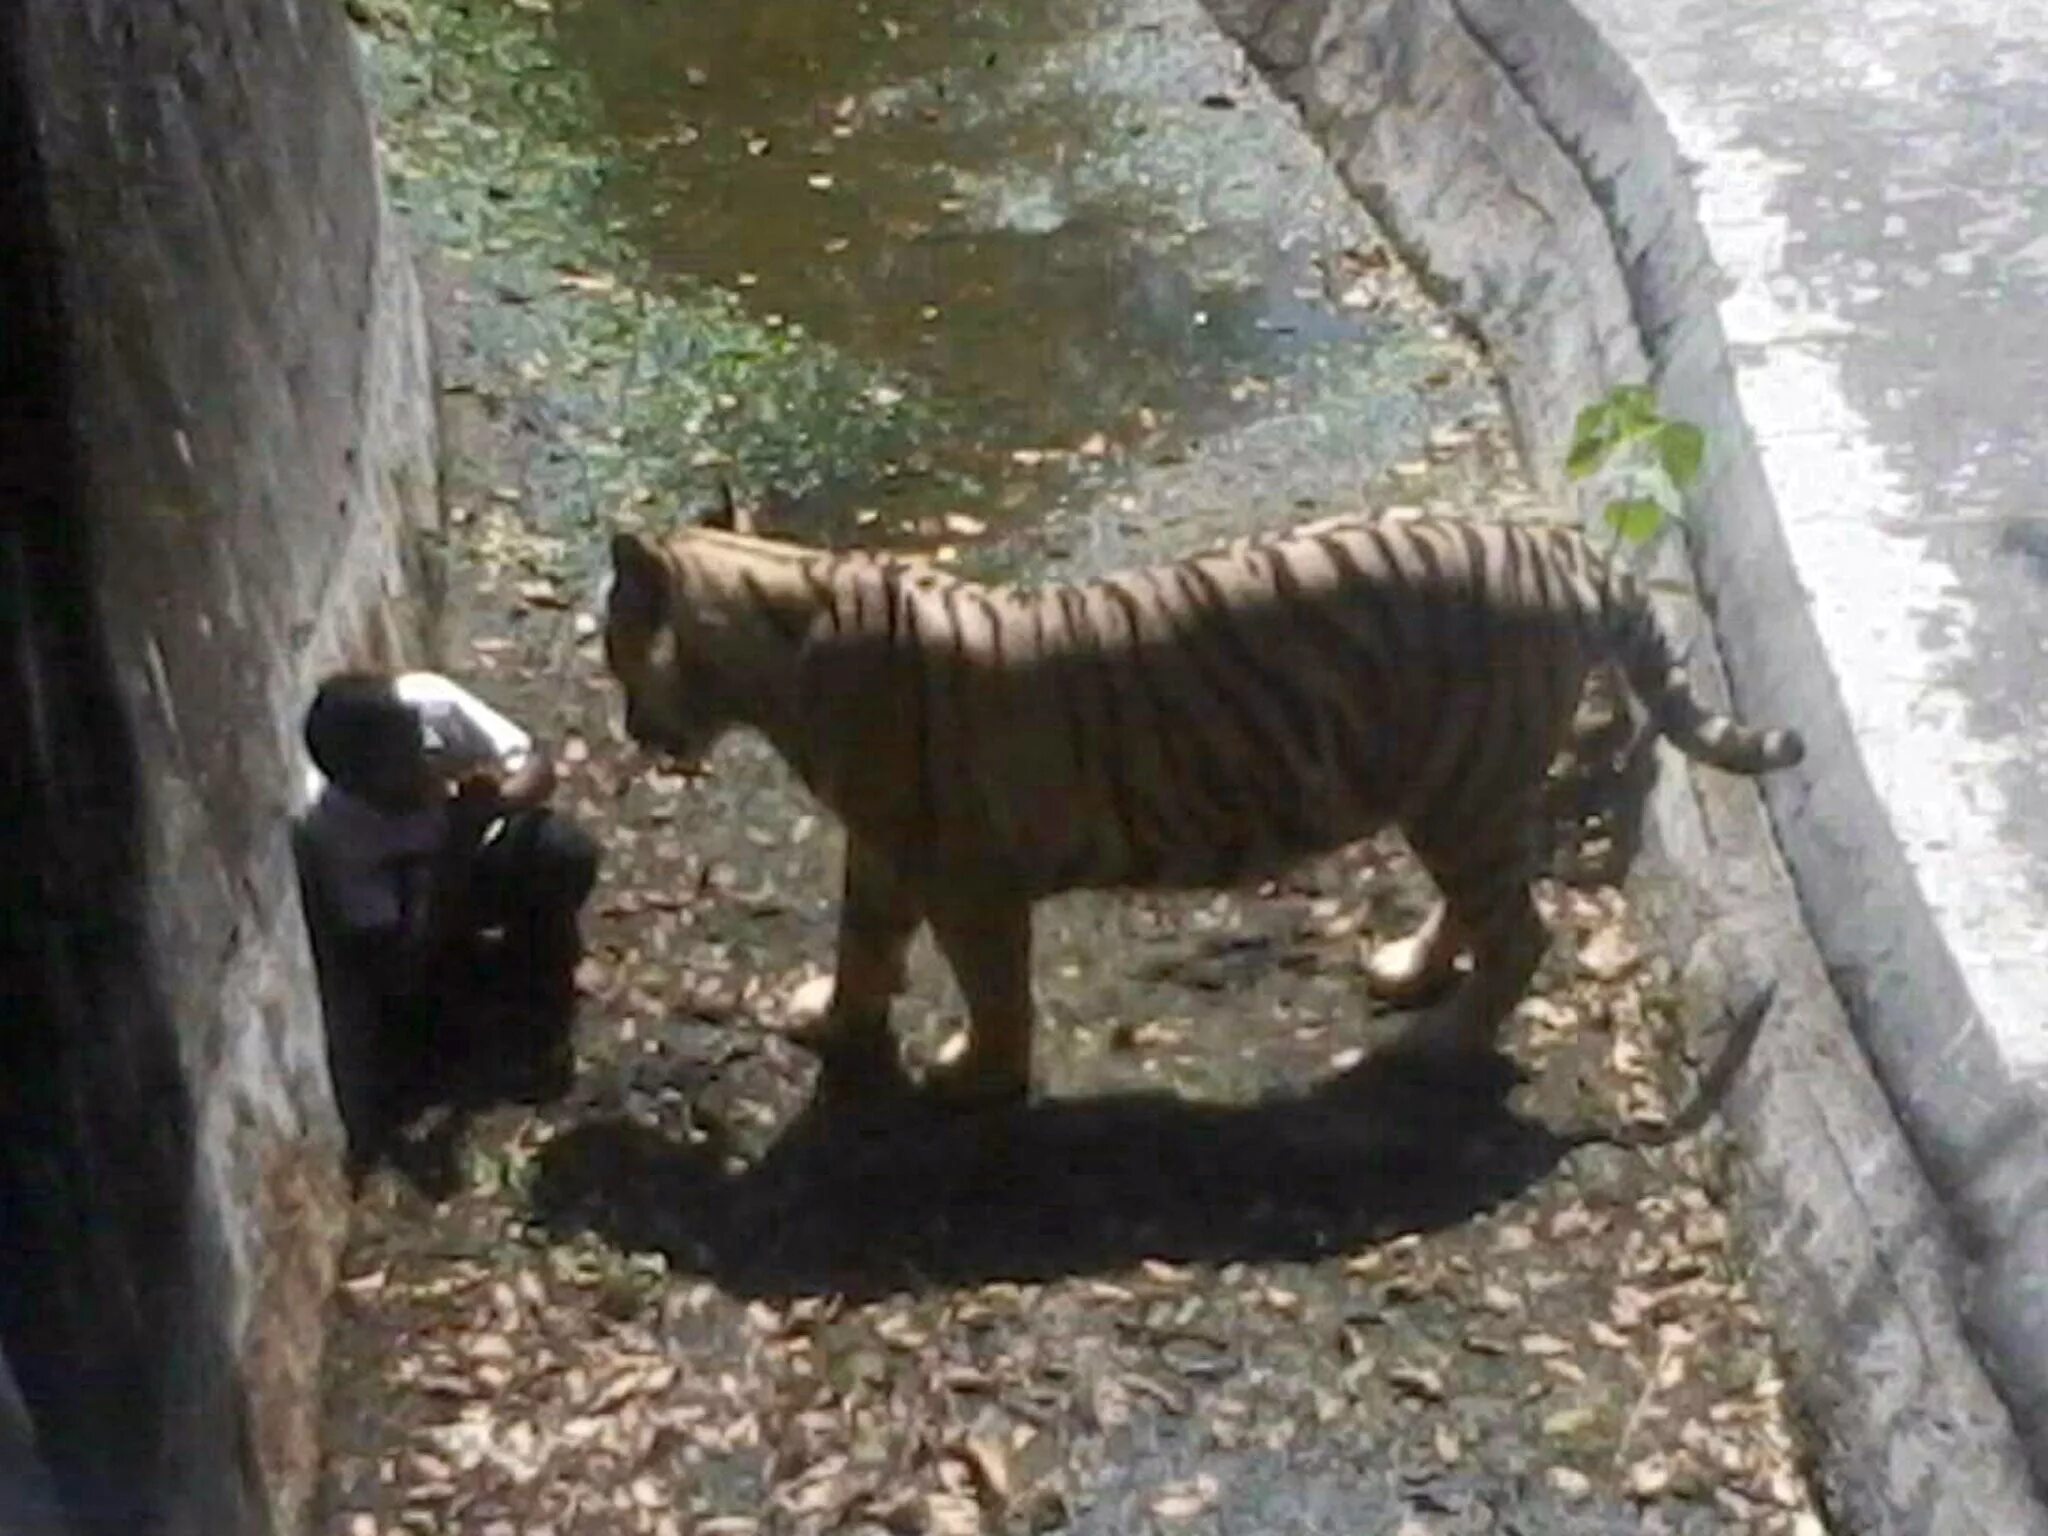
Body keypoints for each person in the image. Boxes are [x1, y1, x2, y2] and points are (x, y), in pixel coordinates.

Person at [294, 669, 598, 1162]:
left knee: (560, 851)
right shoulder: (335, 834)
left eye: (415, 746)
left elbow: (537, 766)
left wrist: (495, 804)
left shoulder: (431, 706)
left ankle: (540, 980)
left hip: (476, 853)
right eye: (398, 767)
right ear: (356, 783)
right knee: (417, 1016)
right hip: (426, 913)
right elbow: (396, 963)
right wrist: (449, 862)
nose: (420, 767)